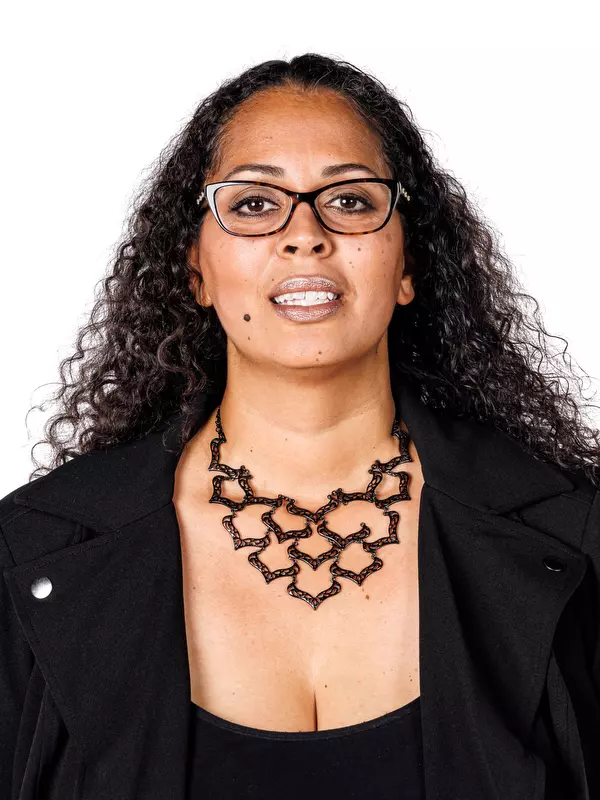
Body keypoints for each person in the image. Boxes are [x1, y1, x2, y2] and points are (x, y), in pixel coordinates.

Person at [1, 53, 599, 800]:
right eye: (254, 203)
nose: (305, 234)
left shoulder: (577, 539)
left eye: (349, 201)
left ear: (408, 263)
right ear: (195, 270)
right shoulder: (32, 551)